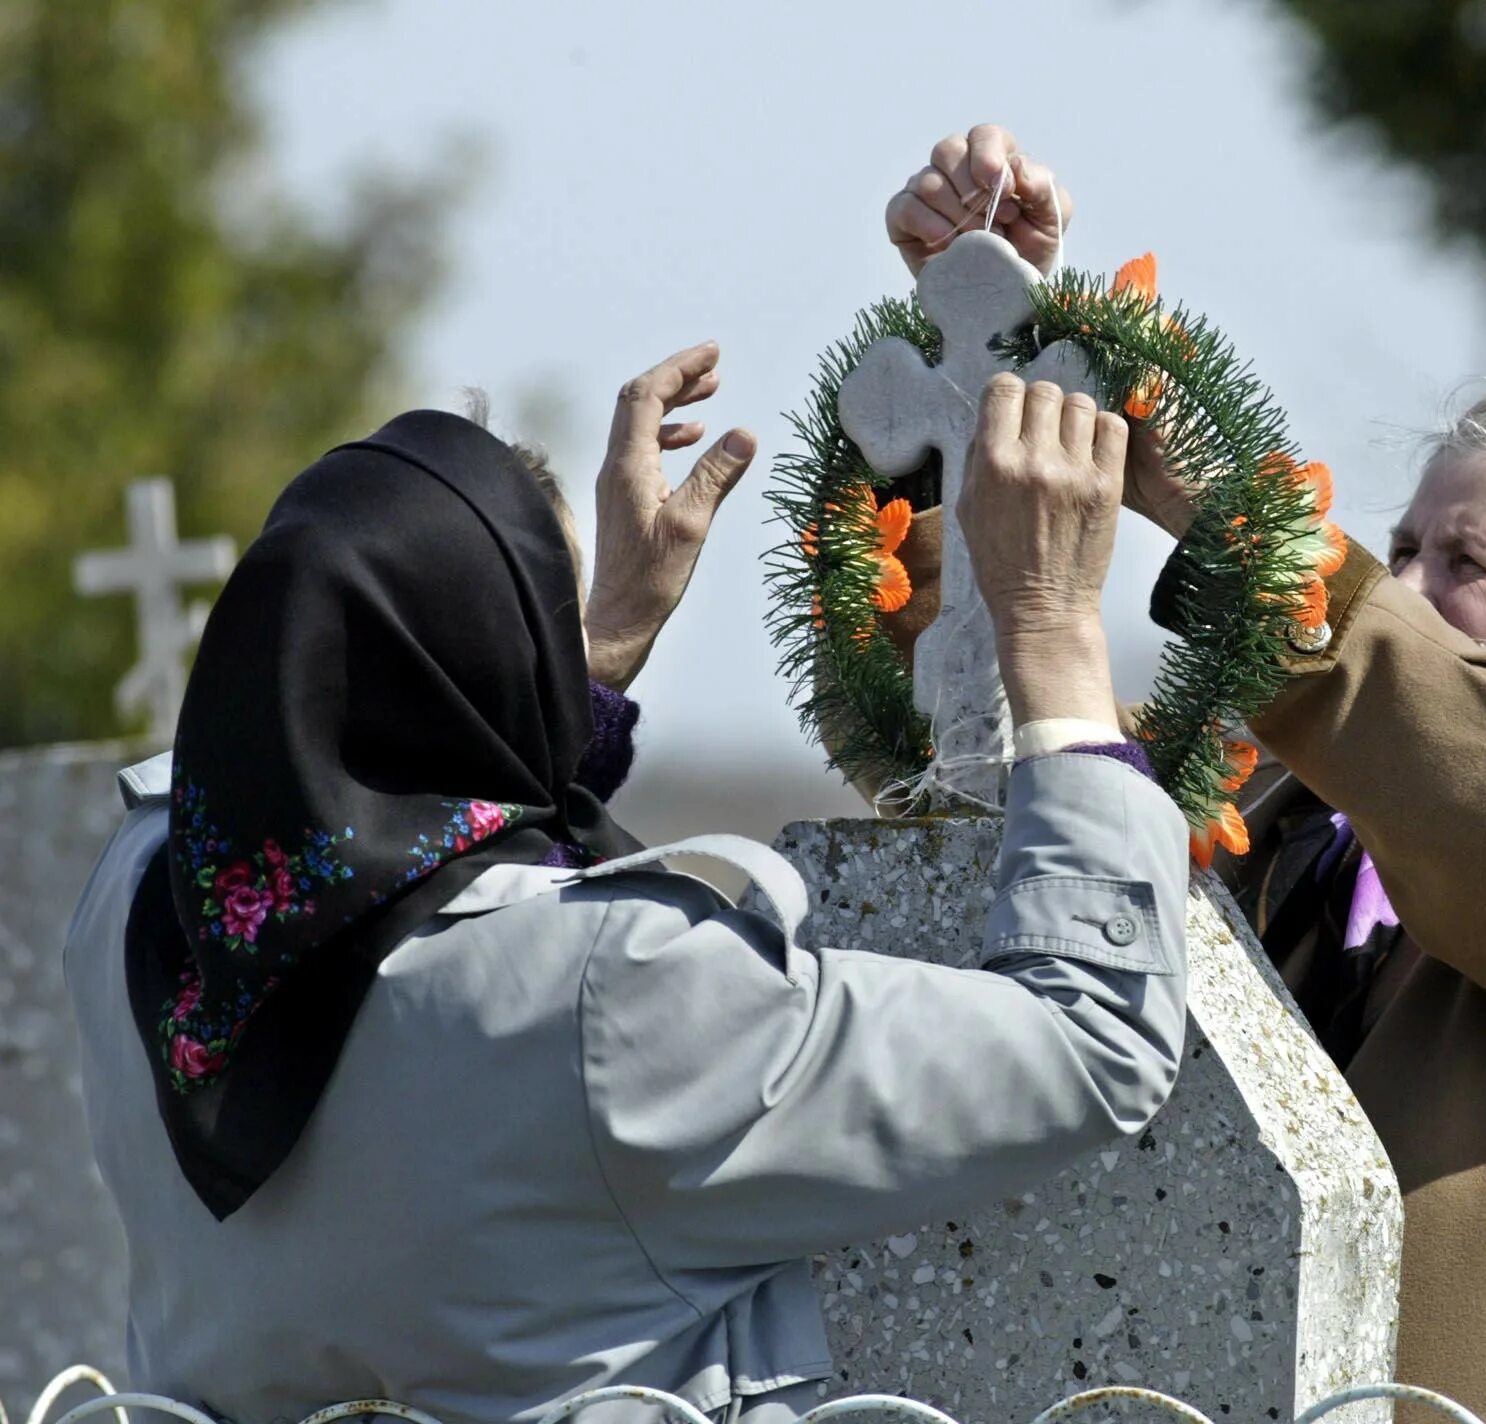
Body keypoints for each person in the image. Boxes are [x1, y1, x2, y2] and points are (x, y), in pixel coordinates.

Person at [886, 126, 1486, 1424]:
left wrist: (1239, 521)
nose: (1409, 593)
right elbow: (1042, 818)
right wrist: (1004, 347)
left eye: (1472, 561)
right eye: (1401, 551)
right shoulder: (1289, 815)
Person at [63, 342, 1188, 1424]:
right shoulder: (616, 992)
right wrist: (1048, 630)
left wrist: (582, 661)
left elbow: (413, 863)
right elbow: (1093, 1039)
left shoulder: (138, 903)